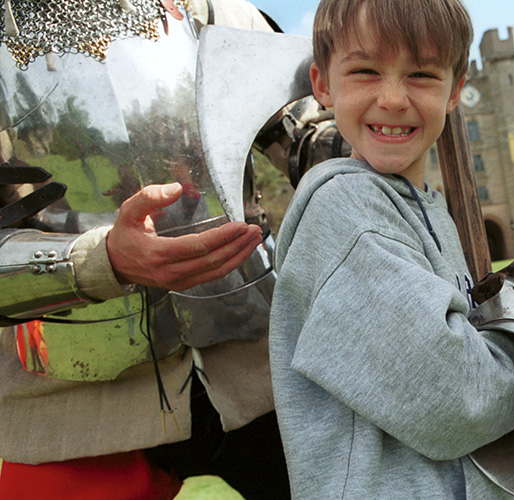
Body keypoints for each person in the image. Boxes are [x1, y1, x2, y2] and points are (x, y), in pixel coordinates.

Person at [0, 0, 343, 498]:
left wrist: (369, 135)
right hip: (72, 404)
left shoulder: (213, 8)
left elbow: (304, 129)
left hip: (267, 364)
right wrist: (103, 262)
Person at [268, 0, 514, 498]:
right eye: (366, 70)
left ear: (454, 90)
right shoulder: (346, 211)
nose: (393, 98)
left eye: (421, 74)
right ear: (323, 83)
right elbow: (459, 401)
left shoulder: (431, 209)